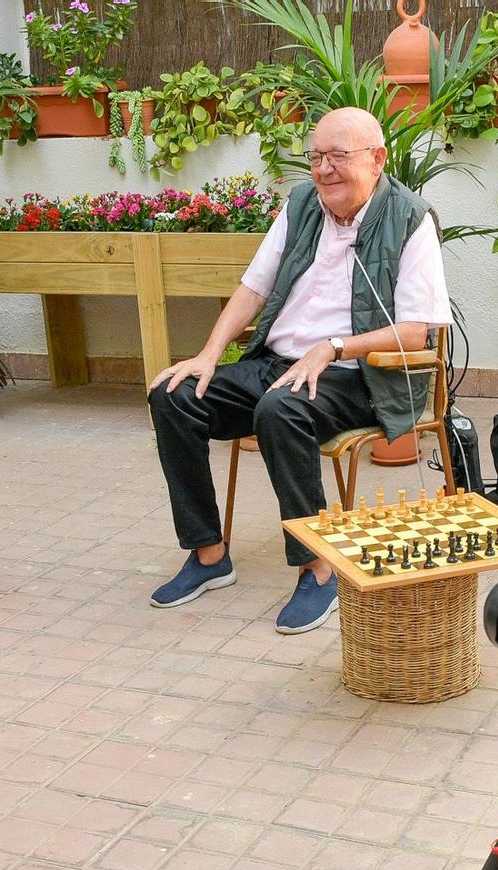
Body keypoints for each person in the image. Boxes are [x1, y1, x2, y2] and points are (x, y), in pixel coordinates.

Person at [146, 106, 451, 634]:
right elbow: (254, 288)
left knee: (281, 408)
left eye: (339, 157)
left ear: (377, 160)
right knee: (175, 394)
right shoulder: (303, 204)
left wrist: (333, 347)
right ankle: (209, 554)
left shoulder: (409, 217)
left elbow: (415, 334)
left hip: (361, 377)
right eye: (317, 157)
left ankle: (318, 567)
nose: (325, 170)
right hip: (276, 362)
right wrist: (208, 356)